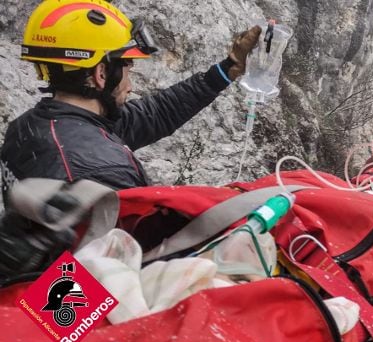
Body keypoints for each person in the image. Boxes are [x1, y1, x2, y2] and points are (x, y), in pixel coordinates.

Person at [0, 0, 260, 281]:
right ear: (101, 74)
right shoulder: (102, 171)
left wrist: (227, 69)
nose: (130, 83)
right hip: (74, 314)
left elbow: (156, 113)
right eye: (127, 68)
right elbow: (136, 271)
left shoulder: (35, 126)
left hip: (41, 294)